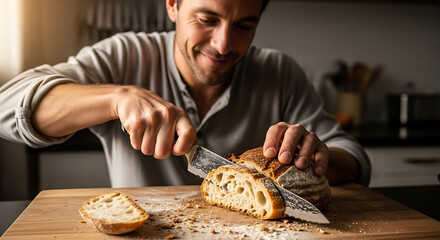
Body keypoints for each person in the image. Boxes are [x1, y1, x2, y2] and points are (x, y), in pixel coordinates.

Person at [0, 0, 370, 188]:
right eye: (207, 20)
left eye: (244, 25)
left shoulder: (281, 72)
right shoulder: (122, 55)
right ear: (173, 5)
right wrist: (116, 99)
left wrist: (316, 155)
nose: (224, 44)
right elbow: (8, 107)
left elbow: (353, 160)